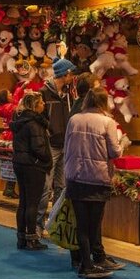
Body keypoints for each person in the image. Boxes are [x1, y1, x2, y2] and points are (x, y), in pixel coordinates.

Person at [64, 88, 124, 279]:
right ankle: (92, 263)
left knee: (81, 224)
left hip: (75, 175)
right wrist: (123, 144)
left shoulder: (74, 119)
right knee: (94, 223)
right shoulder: (108, 122)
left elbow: (67, 146)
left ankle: (85, 263)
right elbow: (115, 152)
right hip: (97, 178)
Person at [37, 58, 77, 233]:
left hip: (65, 145)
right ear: (65, 74)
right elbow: (40, 118)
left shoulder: (69, 94)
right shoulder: (44, 93)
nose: (73, 76)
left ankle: (54, 224)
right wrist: (48, 132)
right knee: (45, 186)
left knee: (61, 186)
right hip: (51, 145)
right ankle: (37, 224)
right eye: (71, 73)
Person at [10, 92, 52, 251]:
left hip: (20, 163)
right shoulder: (35, 123)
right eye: (41, 103)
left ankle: (21, 237)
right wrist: (47, 160)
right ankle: (31, 238)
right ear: (35, 105)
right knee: (32, 203)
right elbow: (38, 147)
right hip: (33, 166)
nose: (44, 105)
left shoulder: (19, 120)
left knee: (24, 202)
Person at [0, 89, 18, 199]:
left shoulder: (2, 108)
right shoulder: (9, 107)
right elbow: (17, 107)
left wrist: (20, 89)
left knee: (9, 163)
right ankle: (9, 188)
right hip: (12, 136)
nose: (11, 94)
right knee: (13, 163)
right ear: (5, 97)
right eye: (9, 94)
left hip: (6, 135)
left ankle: (9, 188)